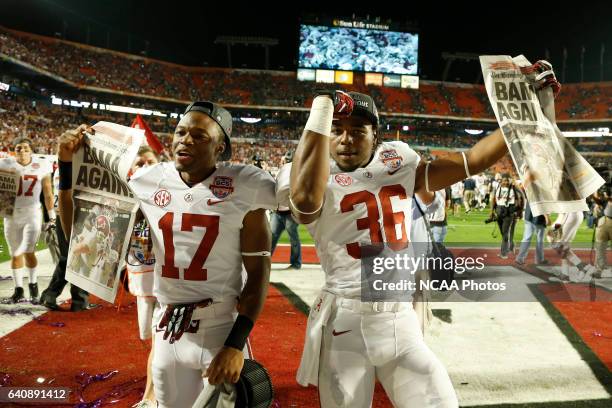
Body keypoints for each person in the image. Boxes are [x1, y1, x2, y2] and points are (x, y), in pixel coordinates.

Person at [282, 88, 521, 407]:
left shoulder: (399, 160)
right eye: (336, 130)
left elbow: (472, 161)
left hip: (398, 318)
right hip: (345, 320)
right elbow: (304, 203)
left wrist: (519, 119)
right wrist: (321, 111)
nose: (346, 139)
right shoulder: (307, 174)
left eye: (357, 130)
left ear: (375, 134)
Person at [57, 101, 277, 408]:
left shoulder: (246, 183)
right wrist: (67, 167)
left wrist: (236, 344)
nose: (185, 140)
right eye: (180, 132)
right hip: (167, 329)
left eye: (199, 135)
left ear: (220, 147)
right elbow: (82, 239)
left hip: (219, 327)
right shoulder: (149, 179)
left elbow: (258, 273)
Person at [0, 137, 54, 304]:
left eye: (25, 148)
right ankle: (18, 290)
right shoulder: (5, 164)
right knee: (15, 253)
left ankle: (33, 285)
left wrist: (51, 216)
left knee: (29, 251)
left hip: (32, 213)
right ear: (13, 151)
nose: (22, 151)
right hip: (11, 214)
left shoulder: (42, 164)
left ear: (31, 151)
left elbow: (47, 192)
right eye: (18, 148)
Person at [39, 158, 90, 311]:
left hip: (66, 212)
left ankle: (62, 296)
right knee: (74, 257)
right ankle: (76, 299)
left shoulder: (65, 163)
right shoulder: (72, 164)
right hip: (72, 213)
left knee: (71, 257)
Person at [270, 151, 301, 270]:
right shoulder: (280, 172)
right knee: (271, 237)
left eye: (287, 160)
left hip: (290, 213)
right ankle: (265, 261)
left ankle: (296, 263)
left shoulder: (295, 173)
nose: (285, 162)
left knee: (293, 238)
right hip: (278, 212)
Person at [490, 174, 519, 259]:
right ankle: (511, 244)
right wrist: (491, 211)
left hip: (508, 212)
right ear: (501, 181)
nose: (506, 182)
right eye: (504, 180)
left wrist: (516, 212)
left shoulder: (513, 189)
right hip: (499, 211)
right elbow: (493, 200)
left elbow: (518, 200)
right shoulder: (497, 188)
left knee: (505, 233)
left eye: (507, 180)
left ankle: (504, 253)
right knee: (503, 233)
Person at [515, 200, 550, 266]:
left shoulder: (531, 189)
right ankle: (539, 259)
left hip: (529, 215)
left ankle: (520, 258)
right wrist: (547, 217)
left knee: (527, 238)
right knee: (540, 240)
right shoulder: (541, 190)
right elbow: (540, 203)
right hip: (538, 217)